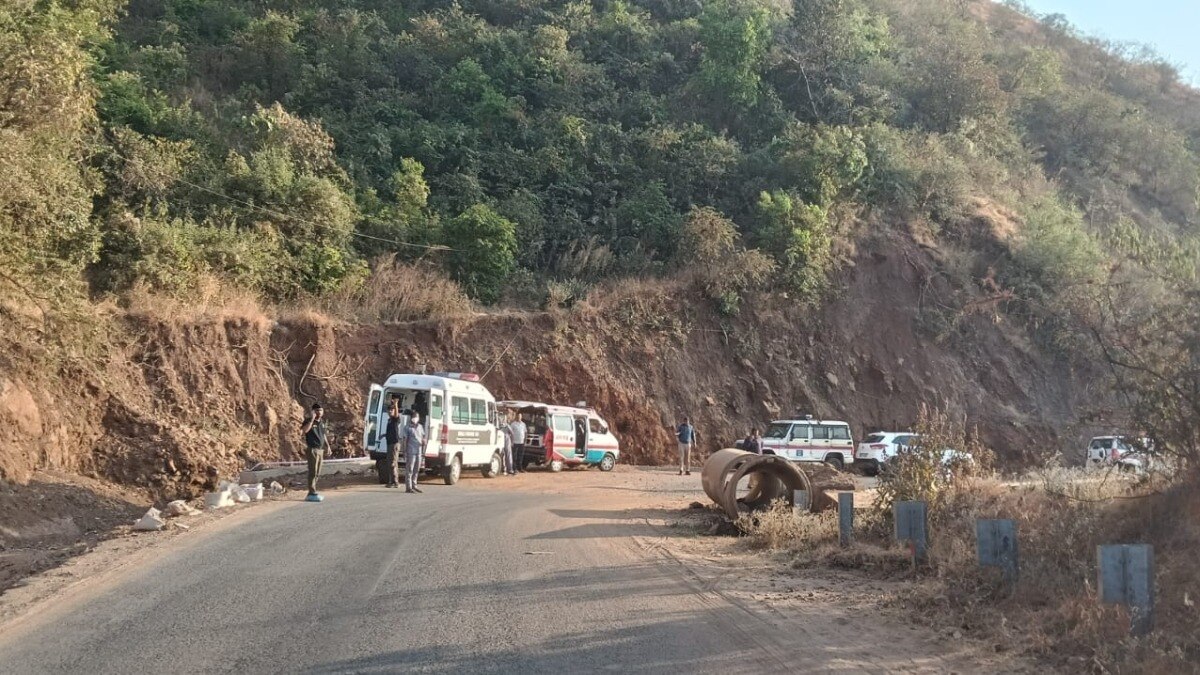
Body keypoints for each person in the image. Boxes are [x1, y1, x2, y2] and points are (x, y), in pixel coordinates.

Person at [301, 403, 331, 502]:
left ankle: (313, 491)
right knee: (312, 471)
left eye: (321, 410)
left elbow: (324, 435)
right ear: (313, 411)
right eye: (317, 410)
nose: (319, 412)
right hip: (312, 449)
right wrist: (312, 419)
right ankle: (311, 492)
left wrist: (328, 446)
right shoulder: (309, 421)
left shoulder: (322, 422)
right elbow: (305, 430)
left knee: (317, 472)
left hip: (320, 450)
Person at [402, 411, 427, 494]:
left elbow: (423, 436)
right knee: (410, 469)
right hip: (411, 451)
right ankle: (408, 487)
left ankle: (414, 485)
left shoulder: (420, 426)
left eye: (417, 417)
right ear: (412, 417)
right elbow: (405, 440)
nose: (416, 418)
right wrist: (404, 451)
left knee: (416, 469)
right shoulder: (407, 427)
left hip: (419, 451)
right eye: (415, 416)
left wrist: (424, 441)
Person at [384, 405, 403, 488]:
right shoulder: (389, 420)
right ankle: (391, 481)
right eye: (389, 410)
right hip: (389, 443)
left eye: (392, 410)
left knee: (393, 463)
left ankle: (395, 482)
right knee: (389, 462)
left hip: (394, 444)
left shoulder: (395, 419)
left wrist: (396, 404)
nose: (390, 411)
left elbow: (396, 414)